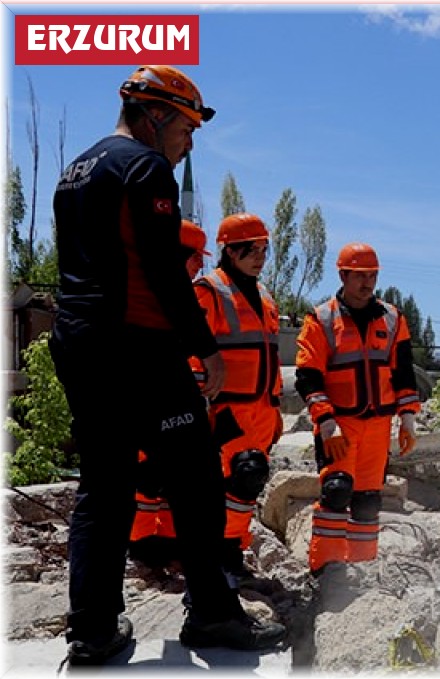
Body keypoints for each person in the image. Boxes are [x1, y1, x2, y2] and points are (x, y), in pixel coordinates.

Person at [50, 64, 285, 665]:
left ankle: (94, 630)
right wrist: (205, 348)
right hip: (138, 348)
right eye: (187, 126)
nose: (189, 141)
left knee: (103, 488)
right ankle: (212, 616)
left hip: (80, 342)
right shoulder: (144, 167)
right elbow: (162, 273)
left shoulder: (74, 171)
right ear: (155, 114)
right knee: (198, 480)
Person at [294, 242, 421, 575]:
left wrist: (407, 419)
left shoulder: (393, 319)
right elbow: (307, 376)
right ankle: (325, 571)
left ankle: (362, 569)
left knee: (367, 502)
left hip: (378, 428)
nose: (368, 283)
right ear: (343, 275)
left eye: (373, 276)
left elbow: (404, 372)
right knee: (337, 492)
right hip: (340, 427)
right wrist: (325, 422)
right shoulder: (321, 319)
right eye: (360, 276)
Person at [193, 212, 283, 579]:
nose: (260, 257)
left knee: (248, 485)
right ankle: (220, 555)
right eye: (252, 249)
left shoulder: (263, 294)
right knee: (237, 478)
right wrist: (203, 399)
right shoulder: (210, 290)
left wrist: (275, 408)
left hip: (262, 408)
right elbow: (192, 347)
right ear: (230, 250)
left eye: (264, 249)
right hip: (228, 406)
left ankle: (232, 549)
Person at [128, 219, 210, 566]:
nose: (200, 266)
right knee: (147, 477)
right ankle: (142, 543)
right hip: (149, 397)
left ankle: (170, 541)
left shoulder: (186, 296)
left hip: (180, 397)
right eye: (195, 258)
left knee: (177, 476)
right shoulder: (147, 296)